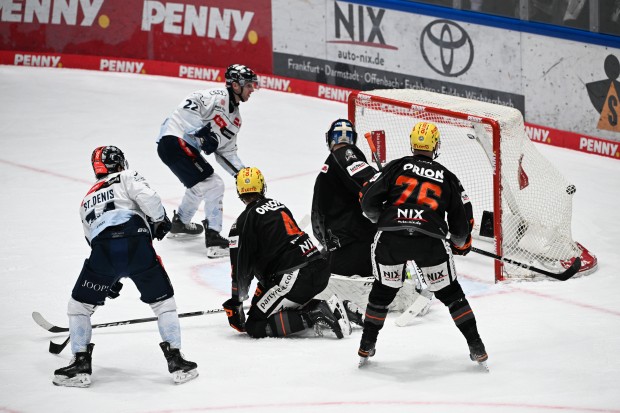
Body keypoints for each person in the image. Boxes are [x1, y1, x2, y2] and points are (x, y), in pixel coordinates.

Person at [52, 146, 198, 387]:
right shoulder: (127, 176)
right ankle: (177, 361)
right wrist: (160, 220)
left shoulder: (86, 199)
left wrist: (110, 279)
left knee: (79, 307)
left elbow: (93, 241)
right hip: (137, 242)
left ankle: (80, 363)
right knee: (163, 303)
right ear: (119, 162)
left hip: (104, 253)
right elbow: (148, 198)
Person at [357, 121, 488, 369]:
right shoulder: (448, 177)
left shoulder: (396, 167)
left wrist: (383, 218)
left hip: (390, 237)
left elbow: (366, 202)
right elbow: (461, 228)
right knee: (451, 294)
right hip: (429, 241)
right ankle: (477, 346)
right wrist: (461, 244)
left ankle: (366, 345)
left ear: (412, 142)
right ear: (436, 145)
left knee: (383, 291)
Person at [311, 119, 432, 322]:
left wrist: (386, 191)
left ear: (329, 139)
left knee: (317, 283)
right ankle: (397, 271)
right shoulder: (340, 158)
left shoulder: (340, 157)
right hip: (349, 244)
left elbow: (367, 184)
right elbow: (370, 184)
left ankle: (398, 275)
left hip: (352, 246)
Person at [222, 167, 351, 339]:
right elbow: (276, 255)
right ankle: (338, 309)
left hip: (295, 277)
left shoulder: (241, 224)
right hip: (318, 267)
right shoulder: (278, 206)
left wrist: (236, 303)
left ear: (239, 191)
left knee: (255, 325)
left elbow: (239, 272)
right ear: (262, 186)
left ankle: (314, 315)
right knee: (271, 307)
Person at [156, 63, 258, 258]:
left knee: (201, 185)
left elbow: (225, 152)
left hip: (178, 147)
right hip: (173, 139)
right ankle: (214, 239)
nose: (252, 89)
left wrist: (242, 174)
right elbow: (185, 108)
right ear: (235, 85)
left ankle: (180, 223)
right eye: (249, 85)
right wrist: (201, 133)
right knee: (214, 184)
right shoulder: (214, 97)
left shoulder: (236, 120)